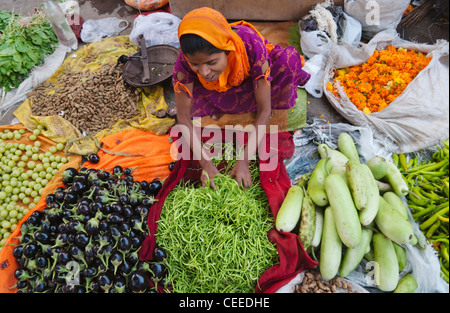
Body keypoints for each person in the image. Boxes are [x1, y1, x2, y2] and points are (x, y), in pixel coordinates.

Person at [173, 7, 310, 189]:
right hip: (215, 90)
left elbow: (265, 110)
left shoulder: (250, 46)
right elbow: (183, 117)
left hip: (247, 82)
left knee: (287, 63)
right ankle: (220, 101)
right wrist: (206, 164)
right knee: (191, 91)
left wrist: (243, 160)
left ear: (228, 50)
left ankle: (224, 104)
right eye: (195, 64)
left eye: (212, 62)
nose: (204, 71)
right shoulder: (184, 62)